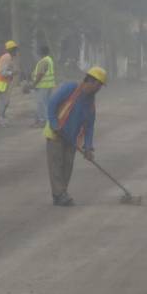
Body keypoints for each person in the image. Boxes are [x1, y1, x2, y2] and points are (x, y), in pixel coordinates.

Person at [45, 67, 107, 206]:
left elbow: (89, 126)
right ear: (91, 81)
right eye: (99, 85)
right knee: (56, 165)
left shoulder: (90, 103)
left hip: (71, 138)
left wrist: (88, 148)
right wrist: (54, 124)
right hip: (56, 133)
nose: (99, 89)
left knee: (67, 166)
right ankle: (60, 194)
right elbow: (51, 105)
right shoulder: (70, 88)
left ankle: (61, 193)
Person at [0, 39, 20, 127]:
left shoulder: (9, 57)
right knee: (4, 102)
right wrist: (12, 73)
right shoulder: (7, 57)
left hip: (3, 82)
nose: (16, 51)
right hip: (1, 83)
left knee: (5, 102)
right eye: (14, 49)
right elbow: (1, 72)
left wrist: (12, 72)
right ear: (10, 49)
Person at [30, 44, 56, 128]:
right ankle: (44, 120)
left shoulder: (43, 61)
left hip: (42, 86)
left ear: (41, 52)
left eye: (38, 51)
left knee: (41, 103)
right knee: (46, 103)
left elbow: (40, 74)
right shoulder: (49, 60)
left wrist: (34, 84)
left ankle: (43, 121)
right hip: (49, 85)